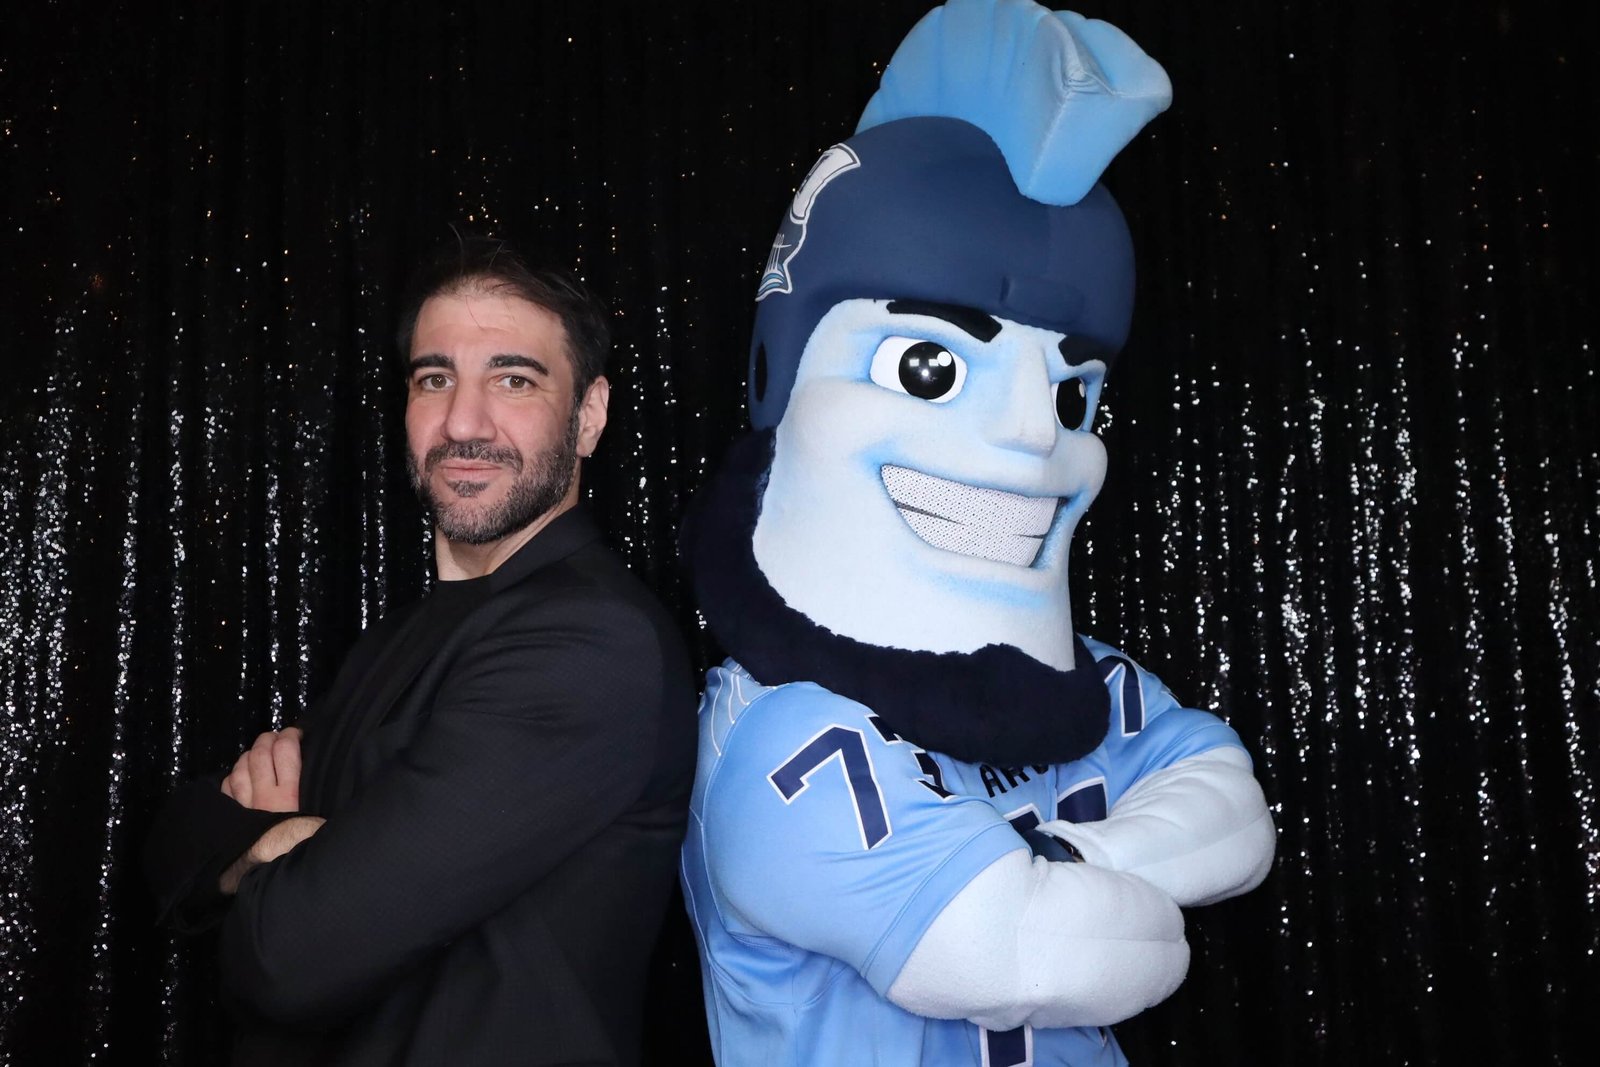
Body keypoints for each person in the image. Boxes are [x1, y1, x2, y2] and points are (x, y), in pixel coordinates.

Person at [678, 3, 1275, 1065]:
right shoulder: (780, 739)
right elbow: (1023, 949)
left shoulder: (1086, 683)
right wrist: (1118, 869)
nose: (1034, 436)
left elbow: (1234, 815)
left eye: (1069, 395)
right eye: (933, 369)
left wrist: (1071, 858)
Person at [144, 234, 697, 1066]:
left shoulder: (593, 644)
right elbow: (173, 841)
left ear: (589, 416)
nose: (463, 423)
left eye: (513, 380)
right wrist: (265, 848)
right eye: (435, 378)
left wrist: (273, 856)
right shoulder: (395, 637)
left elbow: (289, 957)